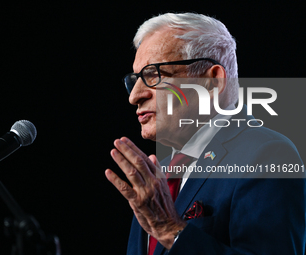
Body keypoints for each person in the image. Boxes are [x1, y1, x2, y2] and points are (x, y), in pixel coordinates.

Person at [105, 12, 306, 255]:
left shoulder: (268, 154)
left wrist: (170, 229)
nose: (134, 96)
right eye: (135, 79)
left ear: (212, 81)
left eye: (153, 75)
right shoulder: (159, 178)